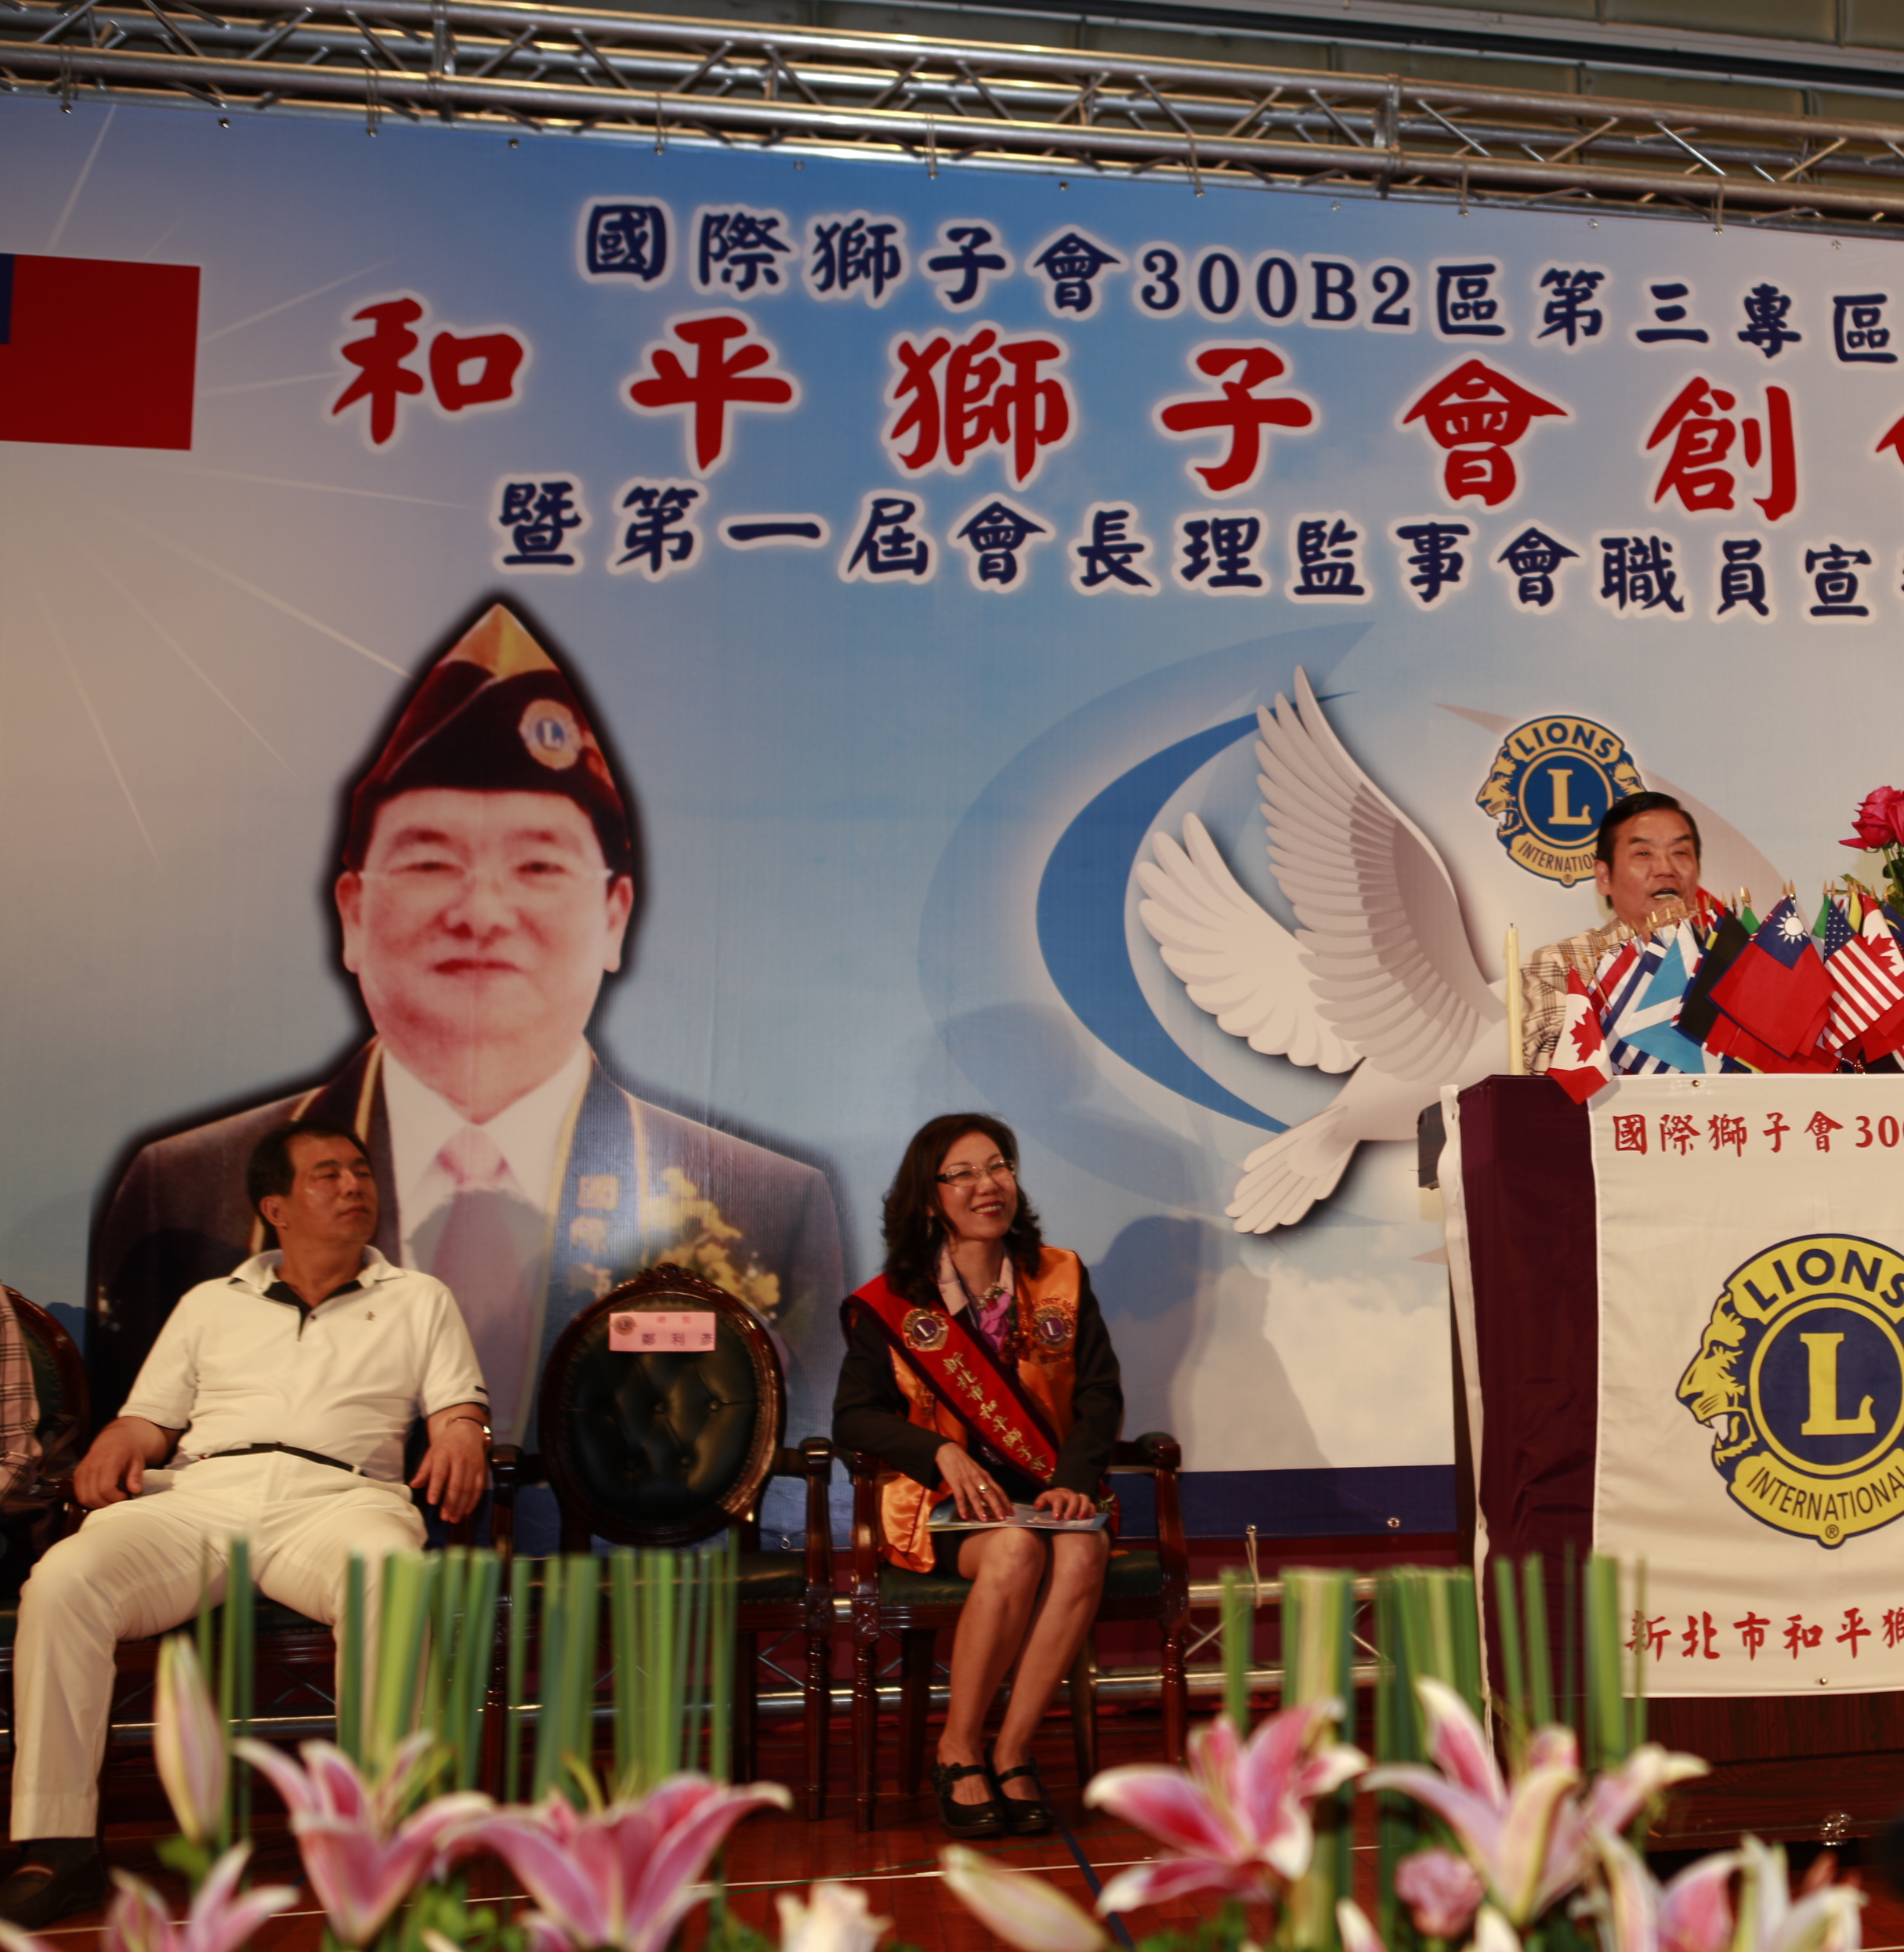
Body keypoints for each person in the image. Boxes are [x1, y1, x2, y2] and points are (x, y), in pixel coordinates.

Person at [90, 605, 841, 1453]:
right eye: (429, 861)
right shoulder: (187, 1187)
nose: (482, 912)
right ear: (353, 913)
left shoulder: (766, 1208)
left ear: (614, 916)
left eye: (538, 865)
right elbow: (132, 1438)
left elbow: (788, 1457)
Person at [5, 1119, 489, 1926]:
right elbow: (149, 1421)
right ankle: (57, 1846)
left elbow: (458, 1406)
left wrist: (463, 1433)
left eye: (361, 1172)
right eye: (327, 1174)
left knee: (394, 1578)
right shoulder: (210, 1303)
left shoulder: (418, 1297)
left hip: (340, 1499)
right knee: (64, 1580)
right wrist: (117, 1440)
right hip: (204, 1495)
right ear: (277, 1208)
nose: (353, 1185)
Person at [834, 1114, 1120, 1837]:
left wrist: (1074, 1478)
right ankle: (958, 1749)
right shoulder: (894, 1302)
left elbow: (1098, 1395)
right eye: (962, 1174)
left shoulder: (1059, 1275)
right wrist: (940, 1452)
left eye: (998, 1166)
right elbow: (854, 1419)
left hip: (1046, 1490)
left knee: (1084, 1549)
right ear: (930, 1198)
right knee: (1016, 1550)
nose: (987, 1184)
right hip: (943, 1507)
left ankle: (1014, 1750)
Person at [1515, 791, 1708, 1073]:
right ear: (1604, 877)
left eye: (1680, 852)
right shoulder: (1561, 963)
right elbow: (1547, 1069)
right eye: (1643, 854)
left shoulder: (1731, 958)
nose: (1666, 869)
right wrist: (1655, 951)